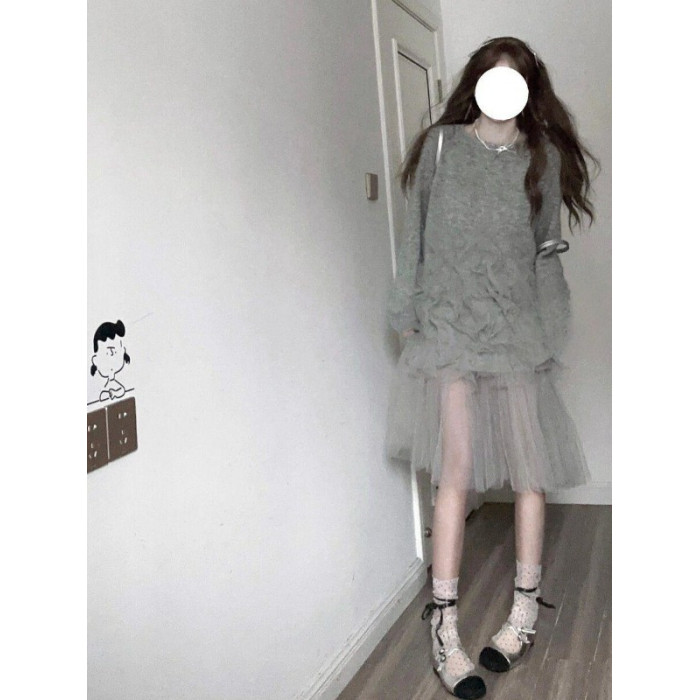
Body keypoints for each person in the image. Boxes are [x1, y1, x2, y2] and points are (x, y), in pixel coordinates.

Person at [384, 36, 600, 699]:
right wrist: (407, 313)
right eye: (491, 77)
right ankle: (444, 627)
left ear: (529, 91)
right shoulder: (440, 149)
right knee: (453, 474)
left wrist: (551, 327)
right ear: (476, 83)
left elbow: (545, 251)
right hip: (450, 330)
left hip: (515, 332)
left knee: (531, 475)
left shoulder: (543, 157)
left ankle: (523, 614)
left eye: (515, 80)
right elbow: (415, 239)